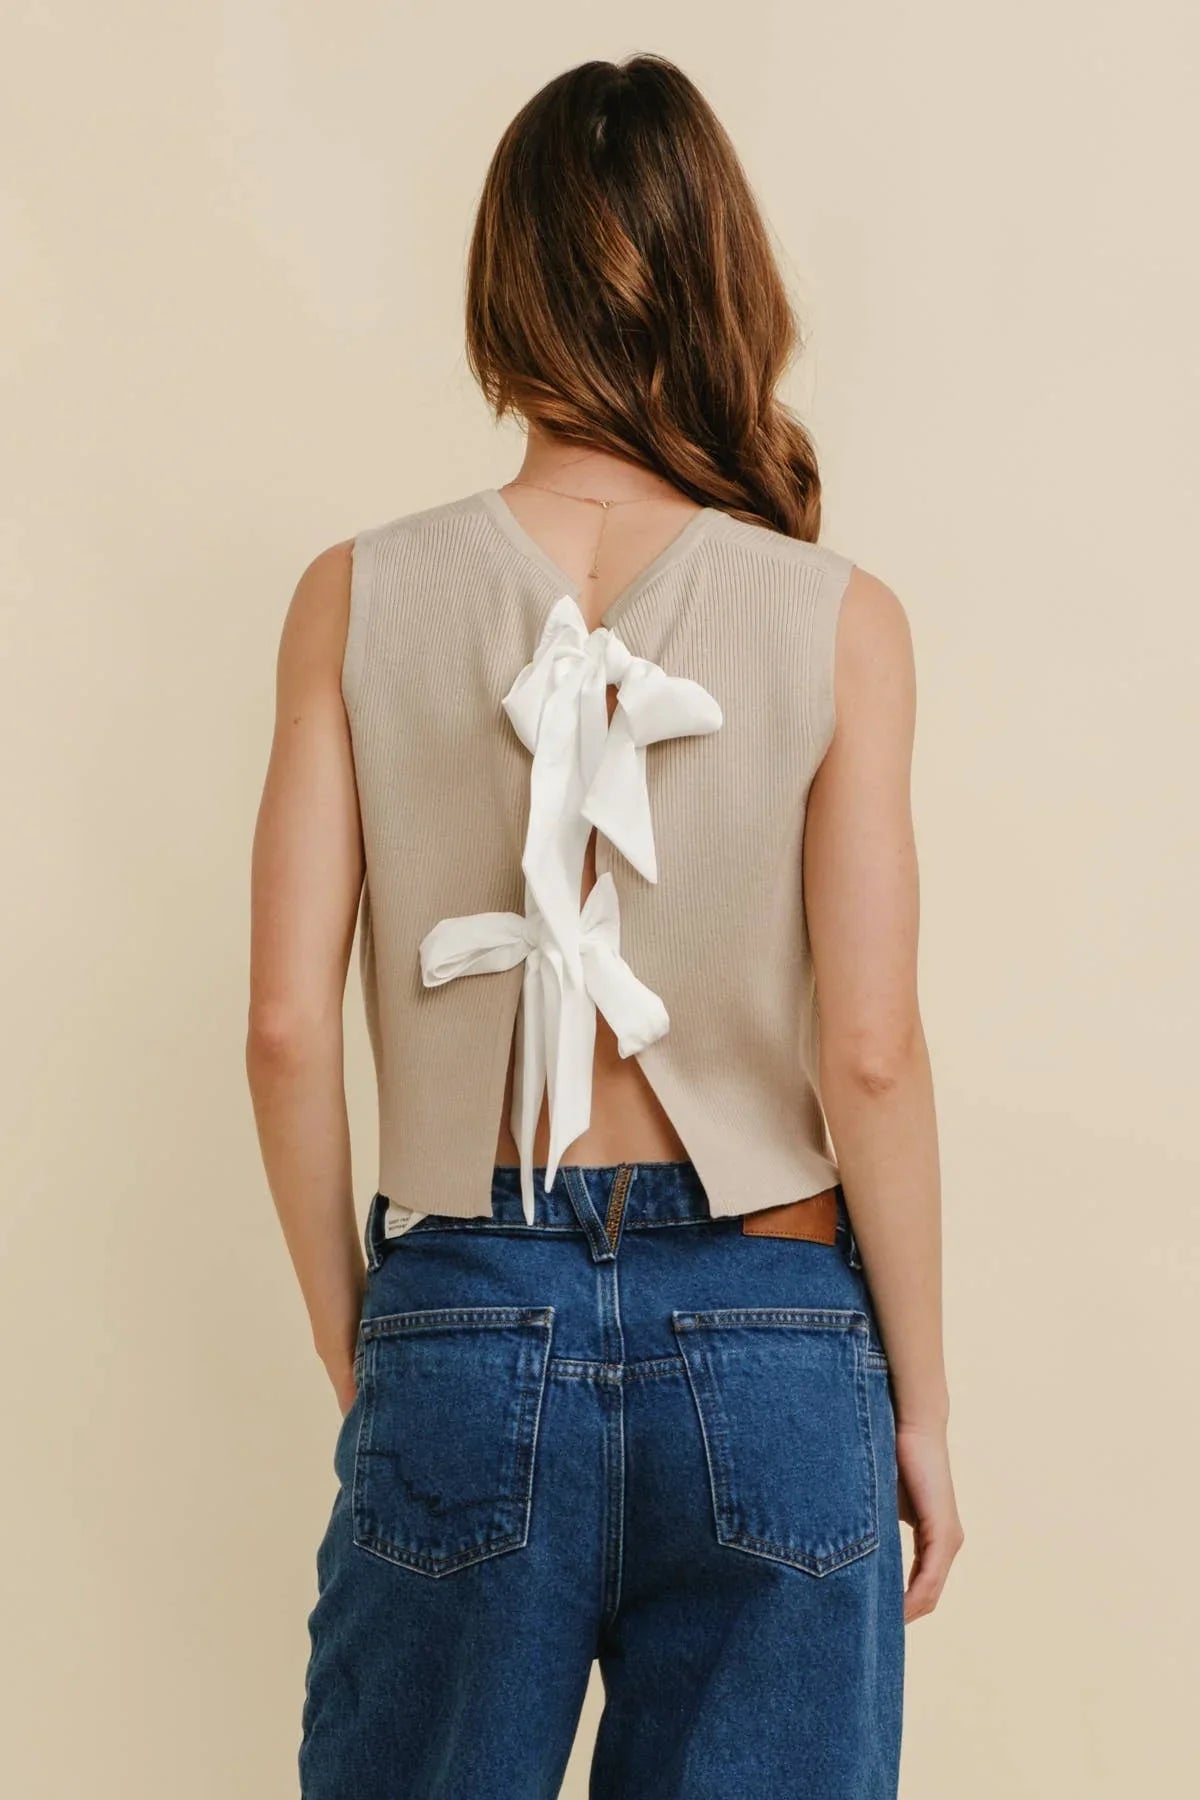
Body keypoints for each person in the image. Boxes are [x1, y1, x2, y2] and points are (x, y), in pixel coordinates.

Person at [246, 51, 963, 1800]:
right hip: (774, 1323)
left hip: (467, 1300)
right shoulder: (839, 617)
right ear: (722, 278)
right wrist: (924, 1409)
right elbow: (870, 1052)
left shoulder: (355, 595)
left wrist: (371, 1343)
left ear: (506, 284)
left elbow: (282, 1030)